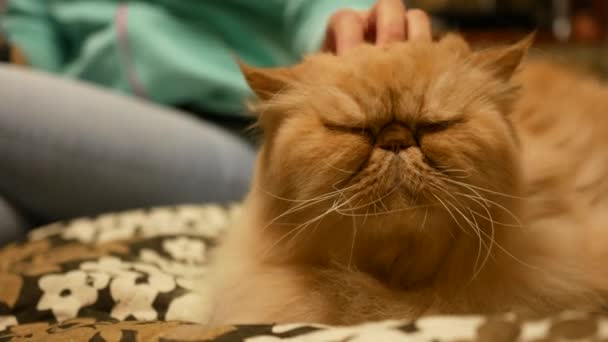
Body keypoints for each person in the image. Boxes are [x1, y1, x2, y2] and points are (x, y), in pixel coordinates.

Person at [0, 0, 432, 245]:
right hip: (85, 127)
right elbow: (33, 47)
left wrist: (345, 30)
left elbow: (315, 6)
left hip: (232, 129)